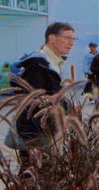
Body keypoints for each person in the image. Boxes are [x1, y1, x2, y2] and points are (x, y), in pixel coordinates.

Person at [12, 22, 75, 151]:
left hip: (47, 130)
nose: (71, 43)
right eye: (67, 38)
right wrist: (66, 107)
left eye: (73, 39)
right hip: (36, 133)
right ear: (52, 38)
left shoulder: (51, 62)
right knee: (35, 170)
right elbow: (34, 100)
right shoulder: (38, 64)